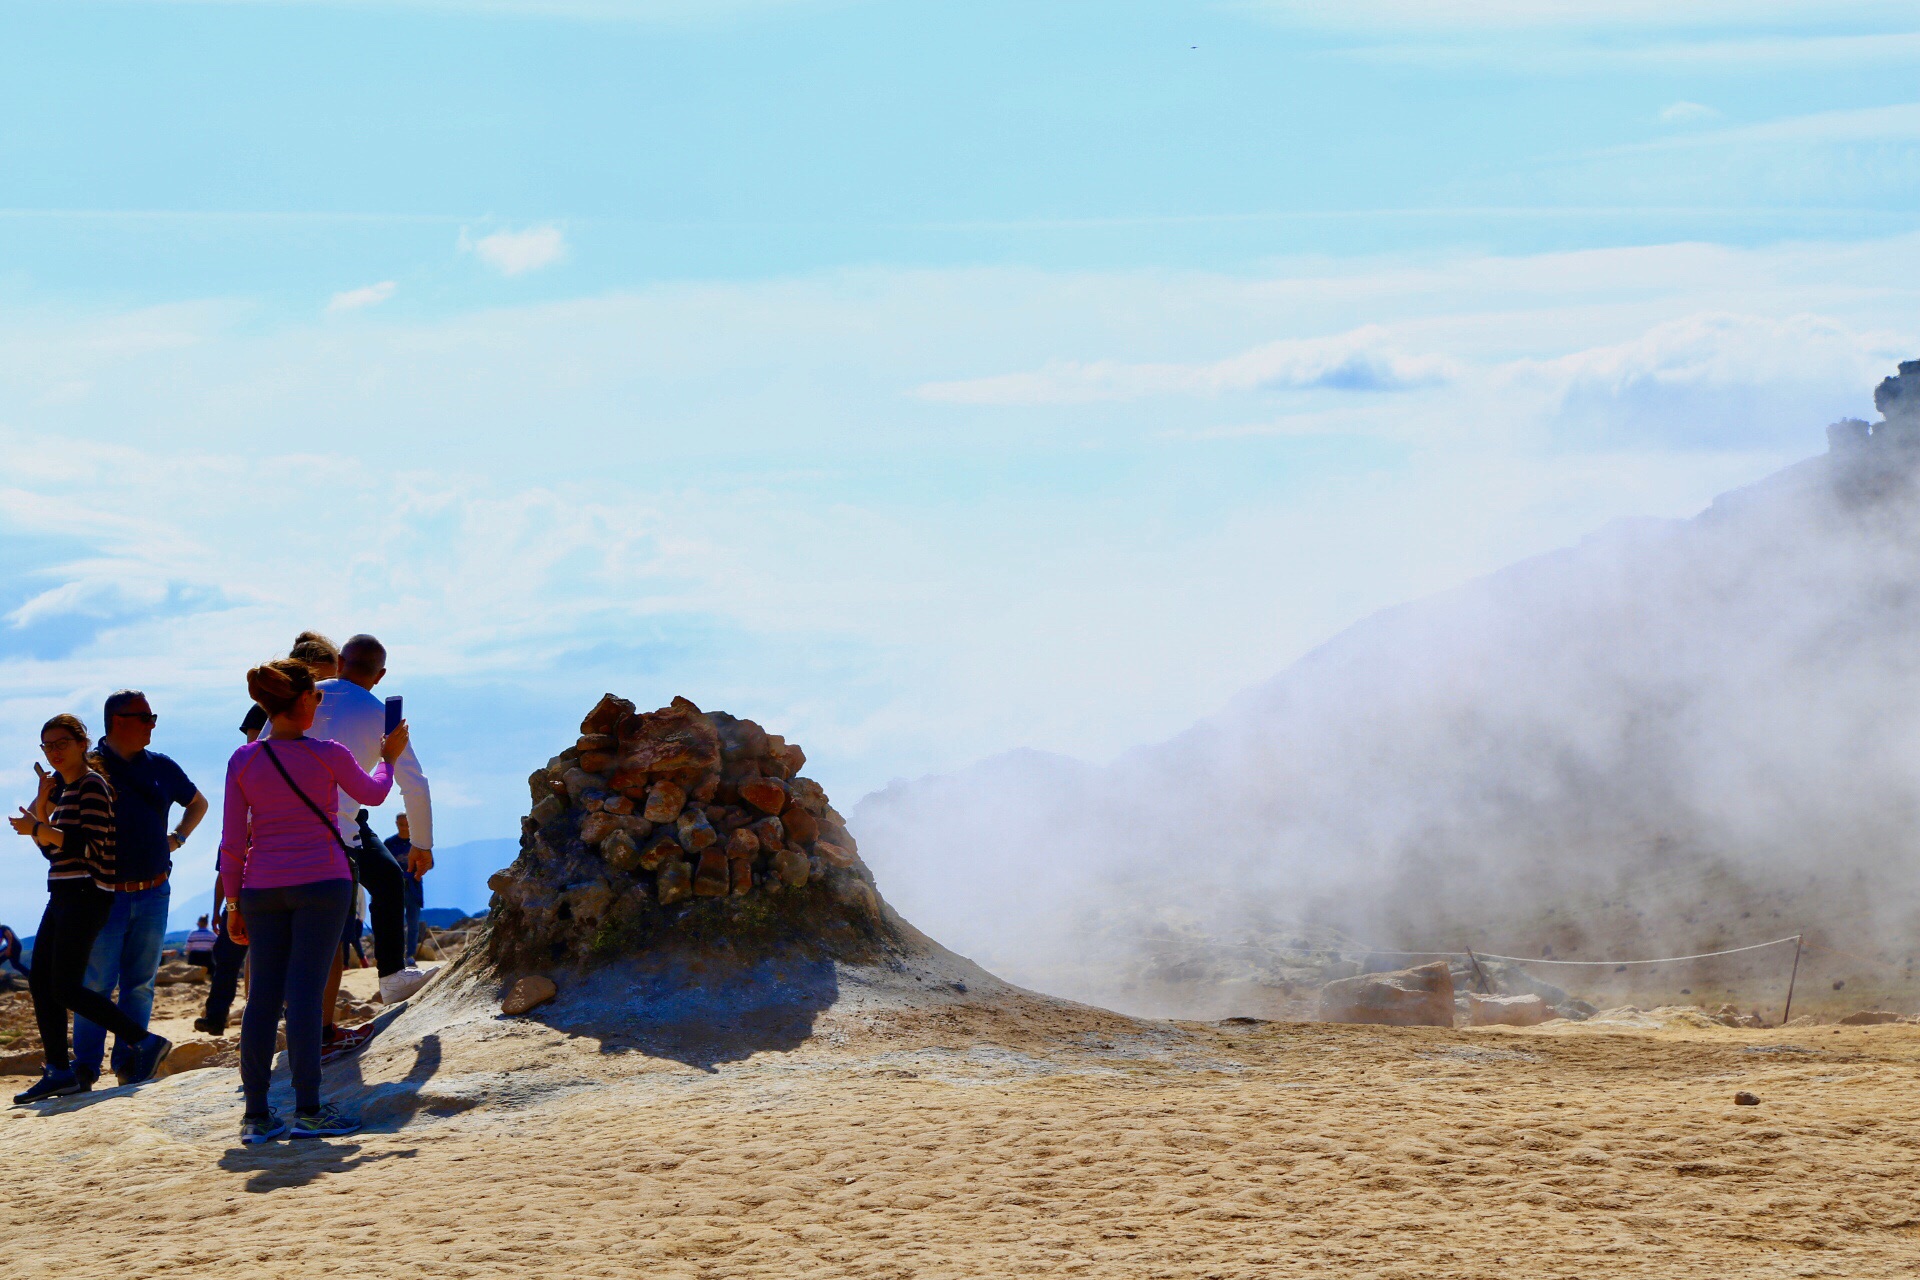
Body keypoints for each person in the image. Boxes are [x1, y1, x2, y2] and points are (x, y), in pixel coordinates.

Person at [221, 658, 408, 1144]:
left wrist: (233, 903)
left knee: (262, 999)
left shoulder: (243, 760)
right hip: (323, 883)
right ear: (304, 700)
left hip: (261, 888)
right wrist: (389, 755)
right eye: (316, 697)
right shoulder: (330, 753)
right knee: (304, 996)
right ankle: (308, 1109)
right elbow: (375, 793)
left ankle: (257, 1116)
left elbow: (232, 841)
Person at [8, 715, 172, 1104]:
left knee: (64, 986)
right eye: (47, 746)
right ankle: (59, 1071)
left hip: (87, 894)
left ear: (82, 743)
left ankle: (145, 1041)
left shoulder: (94, 786)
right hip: (62, 893)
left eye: (61, 743)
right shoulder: (67, 791)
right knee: (41, 983)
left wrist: (36, 826)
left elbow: (86, 844)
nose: (54, 752)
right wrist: (42, 806)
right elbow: (52, 849)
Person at [72, 689, 207, 1088]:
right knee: (95, 984)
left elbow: (197, 803)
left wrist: (178, 838)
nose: (152, 724)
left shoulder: (161, 766)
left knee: (141, 983)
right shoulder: (89, 768)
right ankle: (85, 1067)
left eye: (152, 717)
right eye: (145, 717)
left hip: (154, 890)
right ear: (118, 721)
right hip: (102, 893)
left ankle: (131, 1062)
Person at [310, 634, 435, 1006]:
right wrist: (422, 844)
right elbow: (415, 785)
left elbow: (259, 753)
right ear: (379, 676)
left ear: (338, 662)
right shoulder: (382, 715)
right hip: (340, 828)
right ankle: (392, 976)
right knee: (387, 883)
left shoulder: (301, 698)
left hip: (279, 825)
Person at [242, 632, 339, 743]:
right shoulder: (263, 710)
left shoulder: (340, 706)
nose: (324, 687)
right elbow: (257, 754)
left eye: (332, 680)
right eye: (318, 680)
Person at [386, 813, 424, 966]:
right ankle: (397, 954)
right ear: (396, 824)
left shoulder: (418, 843)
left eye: (407, 825)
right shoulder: (389, 843)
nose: (404, 828)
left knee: (413, 924)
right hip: (395, 888)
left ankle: (410, 955)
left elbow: (430, 863)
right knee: (397, 923)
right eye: (401, 825)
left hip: (414, 888)